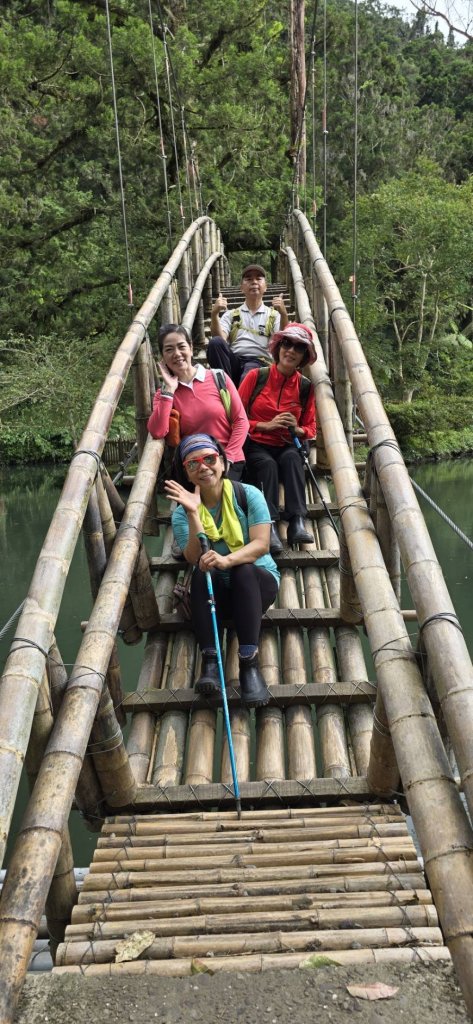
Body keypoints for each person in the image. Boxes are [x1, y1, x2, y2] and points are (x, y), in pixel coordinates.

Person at [164, 433, 280, 708]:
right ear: (187, 474)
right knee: (204, 573)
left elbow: (262, 544)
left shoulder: (248, 494)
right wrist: (194, 514)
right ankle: (211, 662)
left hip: (255, 585)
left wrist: (229, 560)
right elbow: (193, 556)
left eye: (209, 459)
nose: (203, 467)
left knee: (242, 570)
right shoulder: (182, 513)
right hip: (216, 595)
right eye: (193, 464)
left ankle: (249, 664)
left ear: (223, 462)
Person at [238, 322, 317, 555]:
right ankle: (269, 524)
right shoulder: (256, 377)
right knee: (267, 465)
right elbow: (236, 418)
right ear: (278, 348)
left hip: (287, 444)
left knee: (293, 459)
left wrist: (298, 429)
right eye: (287, 343)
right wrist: (266, 425)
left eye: (299, 347)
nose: (291, 350)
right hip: (257, 444)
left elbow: (311, 427)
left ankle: (297, 522)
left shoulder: (305, 387)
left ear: (304, 356)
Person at [147, 324, 248, 481]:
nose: (177, 354)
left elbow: (241, 421)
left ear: (191, 348)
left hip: (229, 460)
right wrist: (169, 391)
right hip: (194, 466)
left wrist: (227, 458)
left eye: (181, 346)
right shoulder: (164, 394)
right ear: (162, 357)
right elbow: (157, 431)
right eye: (169, 350)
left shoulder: (218, 378)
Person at [208, 264, 289, 386]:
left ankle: (233, 396)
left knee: (249, 372)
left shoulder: (274, 315)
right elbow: (220, 339)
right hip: (234, 362)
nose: (254, 282)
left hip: (259, 362)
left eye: (258, 278)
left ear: (265, 287)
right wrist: (214, 315)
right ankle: (226, 389)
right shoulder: (231, 314)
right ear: (242, 288)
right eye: (249, 279)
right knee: (215, 343)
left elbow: (283, 339)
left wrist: (283, 314)